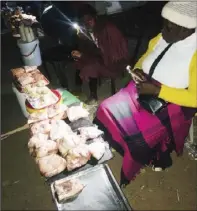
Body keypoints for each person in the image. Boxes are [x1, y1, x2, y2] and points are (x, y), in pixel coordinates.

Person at [93, 1, 197, 187]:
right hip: (144, 87)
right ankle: (113, 140)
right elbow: (145, 58)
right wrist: (139, 69)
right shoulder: (162, 37)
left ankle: (158, 156)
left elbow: (194, 98)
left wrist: (158, 91)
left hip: (172, 102)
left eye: (169, 27)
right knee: (106, 107)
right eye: (164, 23)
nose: (163, 30)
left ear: (186, 30)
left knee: (137, 139)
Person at [71, 4, 129, 104]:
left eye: (89, 20)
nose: (87, 24)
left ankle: (93, 96)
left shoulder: (107, 29)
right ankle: (78, 89)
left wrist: (84, 56)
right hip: (102, 57)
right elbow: (94, 50)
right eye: (84, 22)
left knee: (90, 66)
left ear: (95, 18)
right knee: (79, 60)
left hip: (114, 63)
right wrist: (83, 40)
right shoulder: (89, 30)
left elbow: (109, 54)